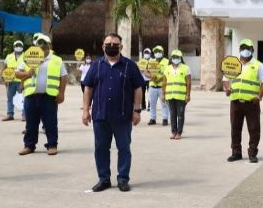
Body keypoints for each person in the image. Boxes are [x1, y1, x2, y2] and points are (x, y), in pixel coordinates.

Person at [81, 33, 146, 192]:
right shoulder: (95, 66)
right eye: (108, 44)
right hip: (100, 116)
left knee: (124, 148)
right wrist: (85, 110)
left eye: (115, 44)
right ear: (103, 47)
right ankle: (104, 179)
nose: (111, 46)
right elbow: (88, 88)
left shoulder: (129, 66)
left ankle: (123, 179)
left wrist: (137, 110)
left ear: (121, 47)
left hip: (122, 116)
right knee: (101, 148)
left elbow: (138, 88)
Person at [15, 33, 66, 156]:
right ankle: (29, 146)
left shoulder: (57, 60)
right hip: (31, 95)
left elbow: (63, 77)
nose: (42, 46)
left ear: (49, 45)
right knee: (31, 123)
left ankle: (52, 145)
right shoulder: (27, 57)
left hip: (49, 96)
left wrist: (61, 93)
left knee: (50, 122)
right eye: (39, 43)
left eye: (44, 43)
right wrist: (27, 73)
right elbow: (17, 73)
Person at [224, 39, 263, 163]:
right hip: (235, 102)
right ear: (239, 50)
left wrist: (259, 97)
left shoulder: (259, 65)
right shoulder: (233, 63)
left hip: (252, 103)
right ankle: (236, 152)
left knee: (254, 129)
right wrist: (227, 88)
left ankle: (252, 153)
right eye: (243, 48)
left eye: (248, 48)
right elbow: (225, 79)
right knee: (235, 128)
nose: (246, 50)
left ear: (252, 50)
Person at [163, 50, 191, 140]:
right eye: (174, 57)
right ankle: (173, 132)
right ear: (171, 58)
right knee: (172, 114)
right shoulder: (167, 68)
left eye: (177, 57)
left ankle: (179, 133)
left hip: (181, 96)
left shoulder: (186, 68)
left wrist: (188, 95)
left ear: (181, 58)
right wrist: (163, 94)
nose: (175, 59)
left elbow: (189, 82)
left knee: (180, 114)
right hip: (170, 96)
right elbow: (164, 82)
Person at [147, 45, 169, 126]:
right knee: (152, 104)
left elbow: (167, 73)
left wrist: (160, 79)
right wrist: (150, 76)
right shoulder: (151, 61)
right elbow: (146, 71)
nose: (157, 53)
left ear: (163, 52)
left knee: (164, 104)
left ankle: (165, 119)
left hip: (162, 86)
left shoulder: (167, 62)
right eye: (156, 52)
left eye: (159, 51)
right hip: (152, 86)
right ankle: (152, 119)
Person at [2, 40, 24, 121]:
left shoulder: (26, 56)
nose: (18, 47)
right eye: (16, 45)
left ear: (22, 47)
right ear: (14, 47)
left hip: (21, 81)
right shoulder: (9, 56)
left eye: (20, 45)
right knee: (10, 98)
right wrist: (4, 79)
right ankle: (10, 114)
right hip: (10, 81)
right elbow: (4, 67)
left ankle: (24, 115)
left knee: (22, 99)